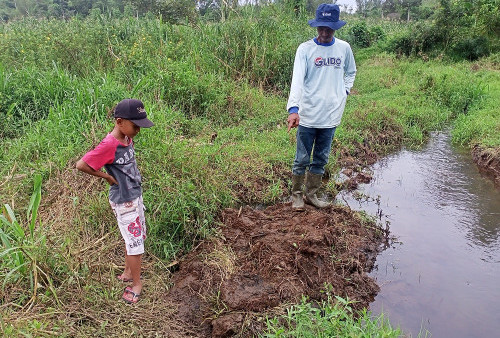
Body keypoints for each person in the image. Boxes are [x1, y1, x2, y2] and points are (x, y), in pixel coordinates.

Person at [76, 98, 154, 304]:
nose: (138, 130)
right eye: (135, 125)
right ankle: (137, 283)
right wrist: (107, 177)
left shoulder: (126, 138)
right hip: (124, 200)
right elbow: (82, 164)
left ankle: (129, 272)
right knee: (135, 243)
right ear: (119, 122)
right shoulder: (109, 144)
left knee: (135, 237)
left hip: (134, 195)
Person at [286, 3, 356, 210]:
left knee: (321, 158)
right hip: (308, 113)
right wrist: (294, 109)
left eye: (329, 28)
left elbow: (351, 72)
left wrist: (344, 91)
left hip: (331, 114)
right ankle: (297, 196)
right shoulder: (305, 49)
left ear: (336, 27)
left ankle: (312, 195)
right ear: (316, 27)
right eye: (321, 28)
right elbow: (297, 80)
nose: (324, 32)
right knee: (301, 158)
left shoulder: (344, 48)